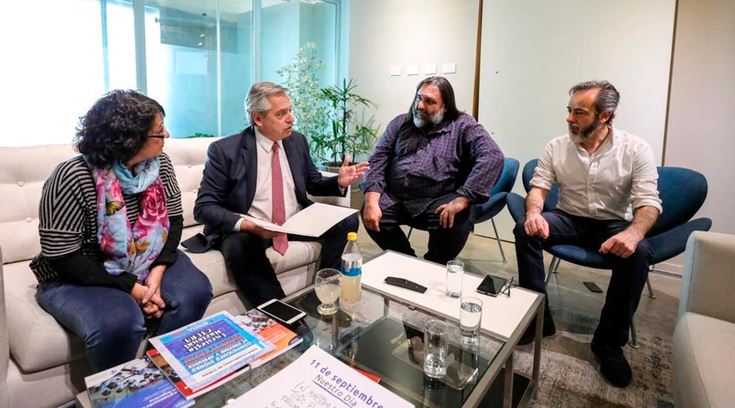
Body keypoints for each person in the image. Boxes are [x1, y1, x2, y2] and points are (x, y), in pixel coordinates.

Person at [31, 90, 213, 372]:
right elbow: (63, 255)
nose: (167, 134)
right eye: (159, 131)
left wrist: (156, 274)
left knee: (196, 291)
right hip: (80, 270)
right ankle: (121, 390)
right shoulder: (72, 176)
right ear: (129, 139)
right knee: (119, 322)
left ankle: (161, 373)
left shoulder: (160, 164)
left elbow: (174, 221)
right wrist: (135, 289)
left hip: (147, 258)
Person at [514, 80, 662, 387]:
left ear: (604, 116)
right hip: (568, 218)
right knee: (525, 231)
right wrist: (534, 213)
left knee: (639, 253)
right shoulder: (556, 147)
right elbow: (538, 188)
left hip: (612, 223)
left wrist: (634, 234)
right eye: (569, 110)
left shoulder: (635, 149)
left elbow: (649, 202)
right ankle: (538, 319)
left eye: (579, 112)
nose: (569, 118)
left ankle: (608, 343)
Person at [193, 81, 366, 306]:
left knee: (348, 220)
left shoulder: (296, 141)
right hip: (254, 228)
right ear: (258, 118)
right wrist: (248, 225)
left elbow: (313, 183)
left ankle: (321, 295)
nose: (291, 118)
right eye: (281, 114)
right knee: (238, 246)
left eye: (290, 110)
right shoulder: (225, 151)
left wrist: (338, 182)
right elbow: (204, 207)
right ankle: (282, 314)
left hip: (293, 221)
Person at [360, 76, 504, 265]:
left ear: (446, 106)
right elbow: (378, 158)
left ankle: (434, 265)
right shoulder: (401, 123)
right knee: (370, 211)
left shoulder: (463, 126)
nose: (420, 105)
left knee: (457, 218)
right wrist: (372, 200)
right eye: (418, 98)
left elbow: (492, 156)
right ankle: (405, 260)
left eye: (429, 101)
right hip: (397, 198)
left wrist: (462, 199)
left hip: (438, 199)